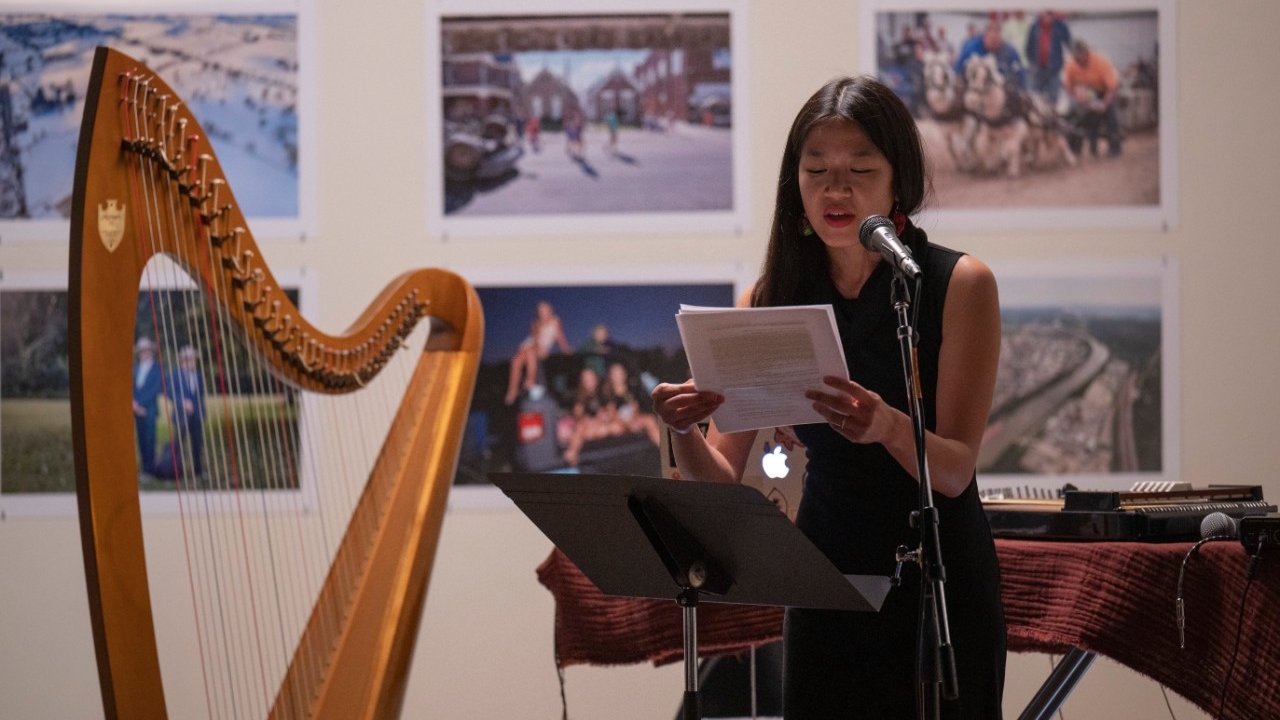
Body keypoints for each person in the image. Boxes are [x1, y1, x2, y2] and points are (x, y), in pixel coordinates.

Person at [650, 75, 1005, 718]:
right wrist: (681, 431)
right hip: (828, 575)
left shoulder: (957, 284)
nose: (835, 191)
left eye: (860, 169)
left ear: (901, 182)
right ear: (795, 185)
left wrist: (888, 425)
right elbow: (727, 480)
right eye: (816, 171)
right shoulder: (770, 298)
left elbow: (952, 472)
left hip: (939, 584)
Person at [1062, 38, 1123, 158]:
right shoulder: (1071, 65)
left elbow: (1112, 86)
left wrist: (1104, 104)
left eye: (1078, 55)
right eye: (1074, 55)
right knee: (1075, 116)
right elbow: (1068, 86)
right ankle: (1075, 148)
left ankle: (1115, 148)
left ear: (1086, 53)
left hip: (1107, 90)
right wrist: (1077, 100)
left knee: (1110, 116)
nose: (1076, 58)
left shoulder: (1101, 62)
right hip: (1088, 91)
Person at [505, 300, 572, 405]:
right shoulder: (535, 323)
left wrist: (566, 349)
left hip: (539, 348)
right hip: (531, 345)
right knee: (515, 362)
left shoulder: (556, 321)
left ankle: (530, 380)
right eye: (540, 310)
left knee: (530, 353)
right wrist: (539, 349)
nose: (542, 312)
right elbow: (535, 339)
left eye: (544, 309)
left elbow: (560, 336)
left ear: (550, 310)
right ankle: (513, 390)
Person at [164, 344, 207, 480]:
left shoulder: (199, 375)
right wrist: (182, 402)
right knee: (179, 443)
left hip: (197, 415)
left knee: (197, 443)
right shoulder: (175, 374)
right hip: (181, 415)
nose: (193, 362)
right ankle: (176, 470)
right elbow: (169, 392)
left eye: (194, 359)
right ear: (184, 360)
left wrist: (198, 409)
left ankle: (198, 471)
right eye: (190, 359)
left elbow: (201, 395)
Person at [952, 16, 1027, 90]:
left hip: (1003, 92)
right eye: (991, 39)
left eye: (997, 40)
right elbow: (957, 72)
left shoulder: (1010, 51)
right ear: (985, 35)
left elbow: (1020, 76)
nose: (994, 43)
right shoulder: (971, 50)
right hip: (975, 90)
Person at [1023, 10, 1073, 104]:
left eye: (1050, 13)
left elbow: (1069, 44)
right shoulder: (1034, 27)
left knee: (1053, 99)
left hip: (1054, 70)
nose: (1047, 16)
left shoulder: (1060, 26)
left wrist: (1069, 62)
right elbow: (1028, 48)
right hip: (1037, 70)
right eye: (1045, 13)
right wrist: (1032, 64)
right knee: (1033, 99)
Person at [132, 336, 163, 479]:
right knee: (141, 440)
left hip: (149, 410)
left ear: (151, 351)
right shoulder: (135, 369)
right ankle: (144, 469)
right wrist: (134, 404)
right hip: (136, 410)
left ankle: (150, 470)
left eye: (146, 350)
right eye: (142, 350)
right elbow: (131, 388)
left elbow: (155, 389)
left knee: (150, 440)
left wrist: (142, 405)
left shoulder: (157, 369)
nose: (144, 353)